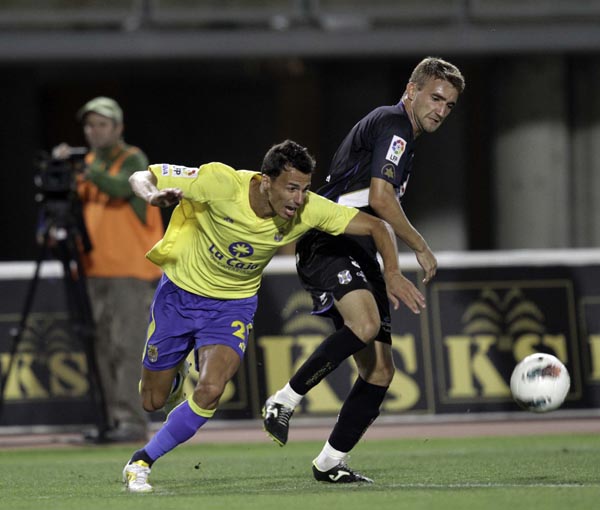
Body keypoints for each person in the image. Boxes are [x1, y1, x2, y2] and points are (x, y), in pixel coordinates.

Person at [121, 139, 425, 492]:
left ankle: (141, 461)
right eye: (291, 188)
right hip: (178, 296)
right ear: (266, 181)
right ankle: (173, 378)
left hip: (231, 306)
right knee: (152, 400)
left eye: (305, 189)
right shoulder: (220, 182)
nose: (299, 198)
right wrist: (151, 196)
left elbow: (377, 227)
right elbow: (142, 176)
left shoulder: (307, 209)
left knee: (210, 389)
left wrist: (392, 273)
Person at [262, 57, 466, 483]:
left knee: (380, 371)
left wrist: (390, 265)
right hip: (332, 238)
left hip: (360, 242)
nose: (441, 110)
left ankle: (330, 462)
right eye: (435, 98)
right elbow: (382, 199)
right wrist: (420, 247)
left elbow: (378, 210)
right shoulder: (395, 124)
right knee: (366, 323)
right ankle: (284, 399)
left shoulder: (400, 131)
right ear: (411, 90)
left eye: (449, 105)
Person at [53, 97, 164, 442]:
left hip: (130, 271)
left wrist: (86, 170)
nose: (94, 130)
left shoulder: (132, 159)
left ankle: (132, 422)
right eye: (90, 125)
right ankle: (110, 421)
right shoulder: (87, 163)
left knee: (126, 346)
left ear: (118, 128)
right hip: (92, 271)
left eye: (102, 124)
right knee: (99, 347)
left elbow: (119, 189)